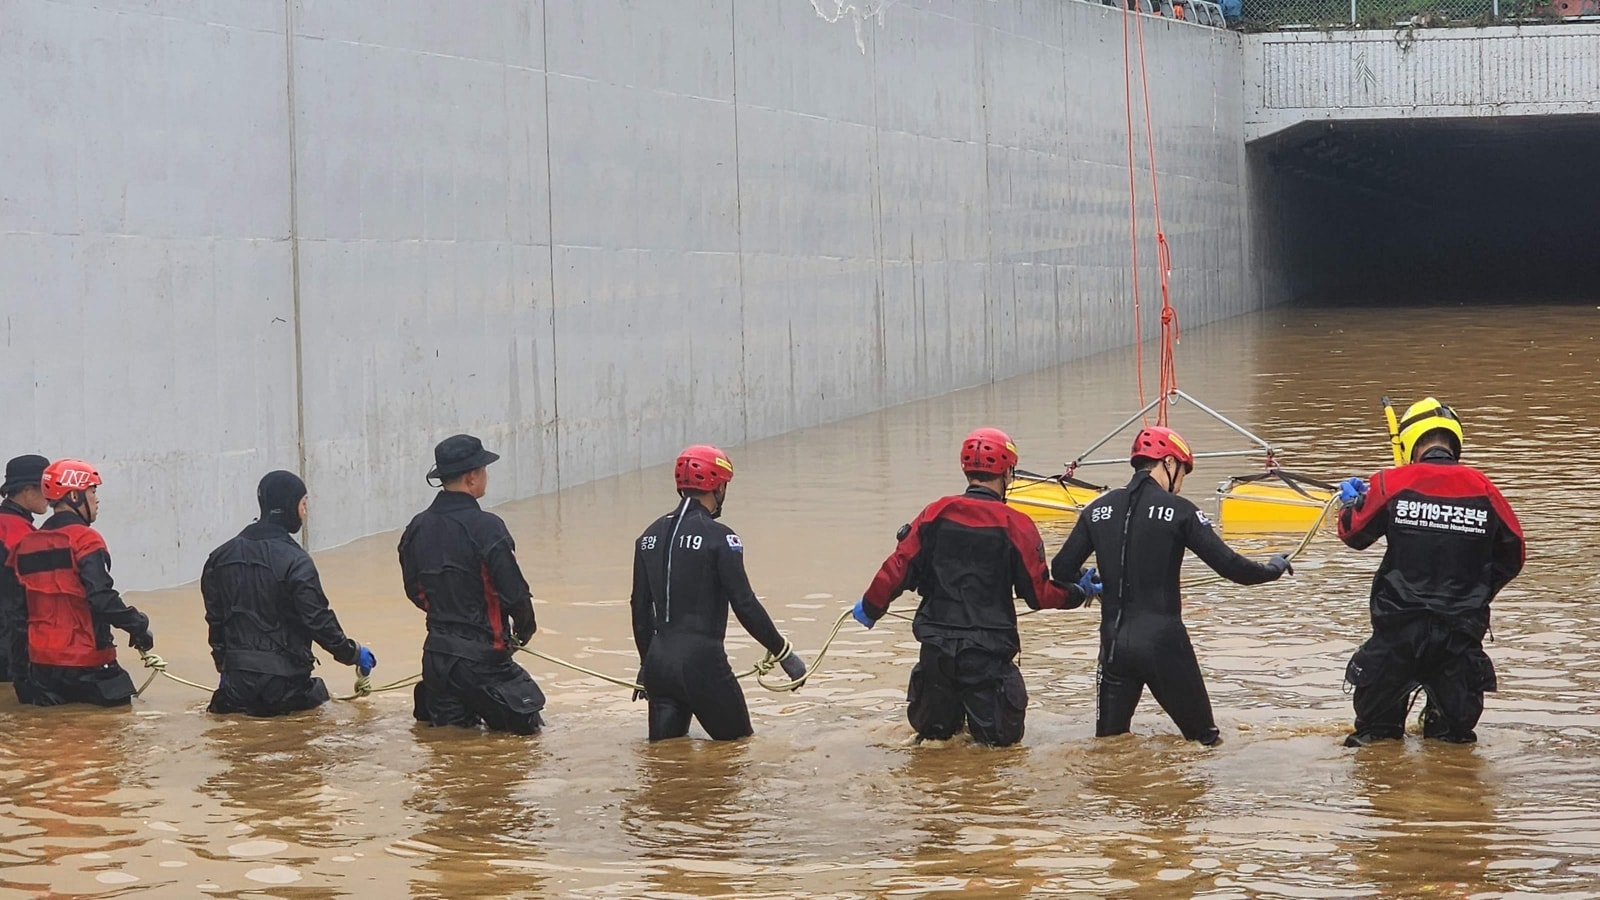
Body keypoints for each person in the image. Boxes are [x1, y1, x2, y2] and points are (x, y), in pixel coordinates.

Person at [852, 428, 1096, 747]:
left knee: (934, 746)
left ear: (966, 469)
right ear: (1008, 473)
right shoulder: (1016, 524)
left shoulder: (934, 512)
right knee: (997, 754)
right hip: (988, 657)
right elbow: (1039, 594)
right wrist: (1079, 593)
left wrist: (871, 607)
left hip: (936, 654)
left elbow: (897, 568)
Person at [1051, 426, 1292, 746]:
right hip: (1163, 644)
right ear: (1168, 462)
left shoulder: (1097, 508)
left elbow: (1061, 568)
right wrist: (1273, 567)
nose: (1180, 483)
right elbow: (1233, 568)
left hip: (1113, 647)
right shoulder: (1180, 511)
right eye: (1182, 471)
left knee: (1109, 748)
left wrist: (1090, 581)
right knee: (1205, 742)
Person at [1336, 398, 1524, 747]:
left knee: (1374, 743)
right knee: (1453, 746)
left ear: (1410, 442)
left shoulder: (1390, 482)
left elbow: (1353, 536)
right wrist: (1476, 590)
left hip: (1397, 633)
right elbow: (1514, 553)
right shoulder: (1483, 487)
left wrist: (1350, 505)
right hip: (1460, 636)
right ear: (1455, 442)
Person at [630, 444, 808, 742]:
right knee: (739, 752)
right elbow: (745, 604)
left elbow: (639, 610)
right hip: (703, 664)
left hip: (659, 665)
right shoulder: (721, 538)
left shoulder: (647, 537)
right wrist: (783, 652)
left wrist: (646, 665)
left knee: (666, 768)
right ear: (718, 486)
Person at [399, 434, 545, 734]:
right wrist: (522, 633)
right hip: (484, 662)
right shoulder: (488, 527)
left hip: (437, 660)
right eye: (484, 470)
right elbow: (515, 594)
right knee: (528, 737)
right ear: (472, 477)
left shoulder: (417, 527)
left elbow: (415, 591)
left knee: (451, 748)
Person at [202, 470, 377, 716]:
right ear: (290, 506)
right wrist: (353, 653)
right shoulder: (297, 561)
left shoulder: (219, 557)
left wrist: (225, 668)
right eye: (304, 504)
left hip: (235, 688)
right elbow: (318, 621)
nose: (305, 512)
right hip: (287, 688)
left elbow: (216, 621)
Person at [6, 459, 153, 707]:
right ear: (74, 496)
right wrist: (138, 625)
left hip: (41, 668)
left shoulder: (25, 545)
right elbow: (101, 598)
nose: (97, 499)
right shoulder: (86, 540)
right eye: (93, 491)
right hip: (89, 664)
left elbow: (16, 615)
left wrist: (21, 675)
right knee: (112, 733)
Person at [1, 454, 49, 695]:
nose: (50, 497)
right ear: (28, 490)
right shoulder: (19, 534)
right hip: (8, 650)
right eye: (45, 488)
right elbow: (21, 601)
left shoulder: (7, 526)